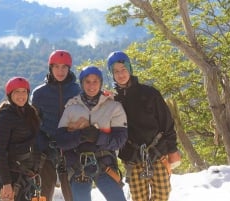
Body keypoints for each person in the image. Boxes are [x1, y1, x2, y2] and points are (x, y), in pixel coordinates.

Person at [107, 51, 181, 201]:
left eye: (123, 70)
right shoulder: (112, 100)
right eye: (116, 71)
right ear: (112, 74)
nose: (121, 74)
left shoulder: (149, 93)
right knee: (138, 198)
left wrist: (172, 149)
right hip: (131, 157)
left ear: (130, 69)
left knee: (162, 195)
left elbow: (166, 122)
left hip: (157, 152)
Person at [55, 66, 128, 201]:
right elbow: (60, 141)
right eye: (87, 81)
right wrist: (80, 136)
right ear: (82, 83)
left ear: (100, 83)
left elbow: (120, 140)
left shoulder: (113, 107)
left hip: (105, 164)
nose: (91, 85)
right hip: (78, 166)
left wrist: (98, 137)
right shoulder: (71, 107)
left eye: (95, 81)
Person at [31, 50, 80, 201]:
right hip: (46, 150)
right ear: (50, 68)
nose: (60, 71)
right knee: (43, 194)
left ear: (69, 69)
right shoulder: (39, 94)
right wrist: (40, 145)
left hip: (70, 149)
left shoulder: (77, 91)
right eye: (57, 67)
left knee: (73, 195)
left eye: (64, 67)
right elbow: (33, 124)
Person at [0, 76, 43, 201]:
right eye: (17, 92)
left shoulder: (30, 113)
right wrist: (6, 183)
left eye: (24, 91)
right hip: (13, 177)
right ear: (10, 95)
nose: (21, 96)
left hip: (29, 174)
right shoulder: (3, 119)